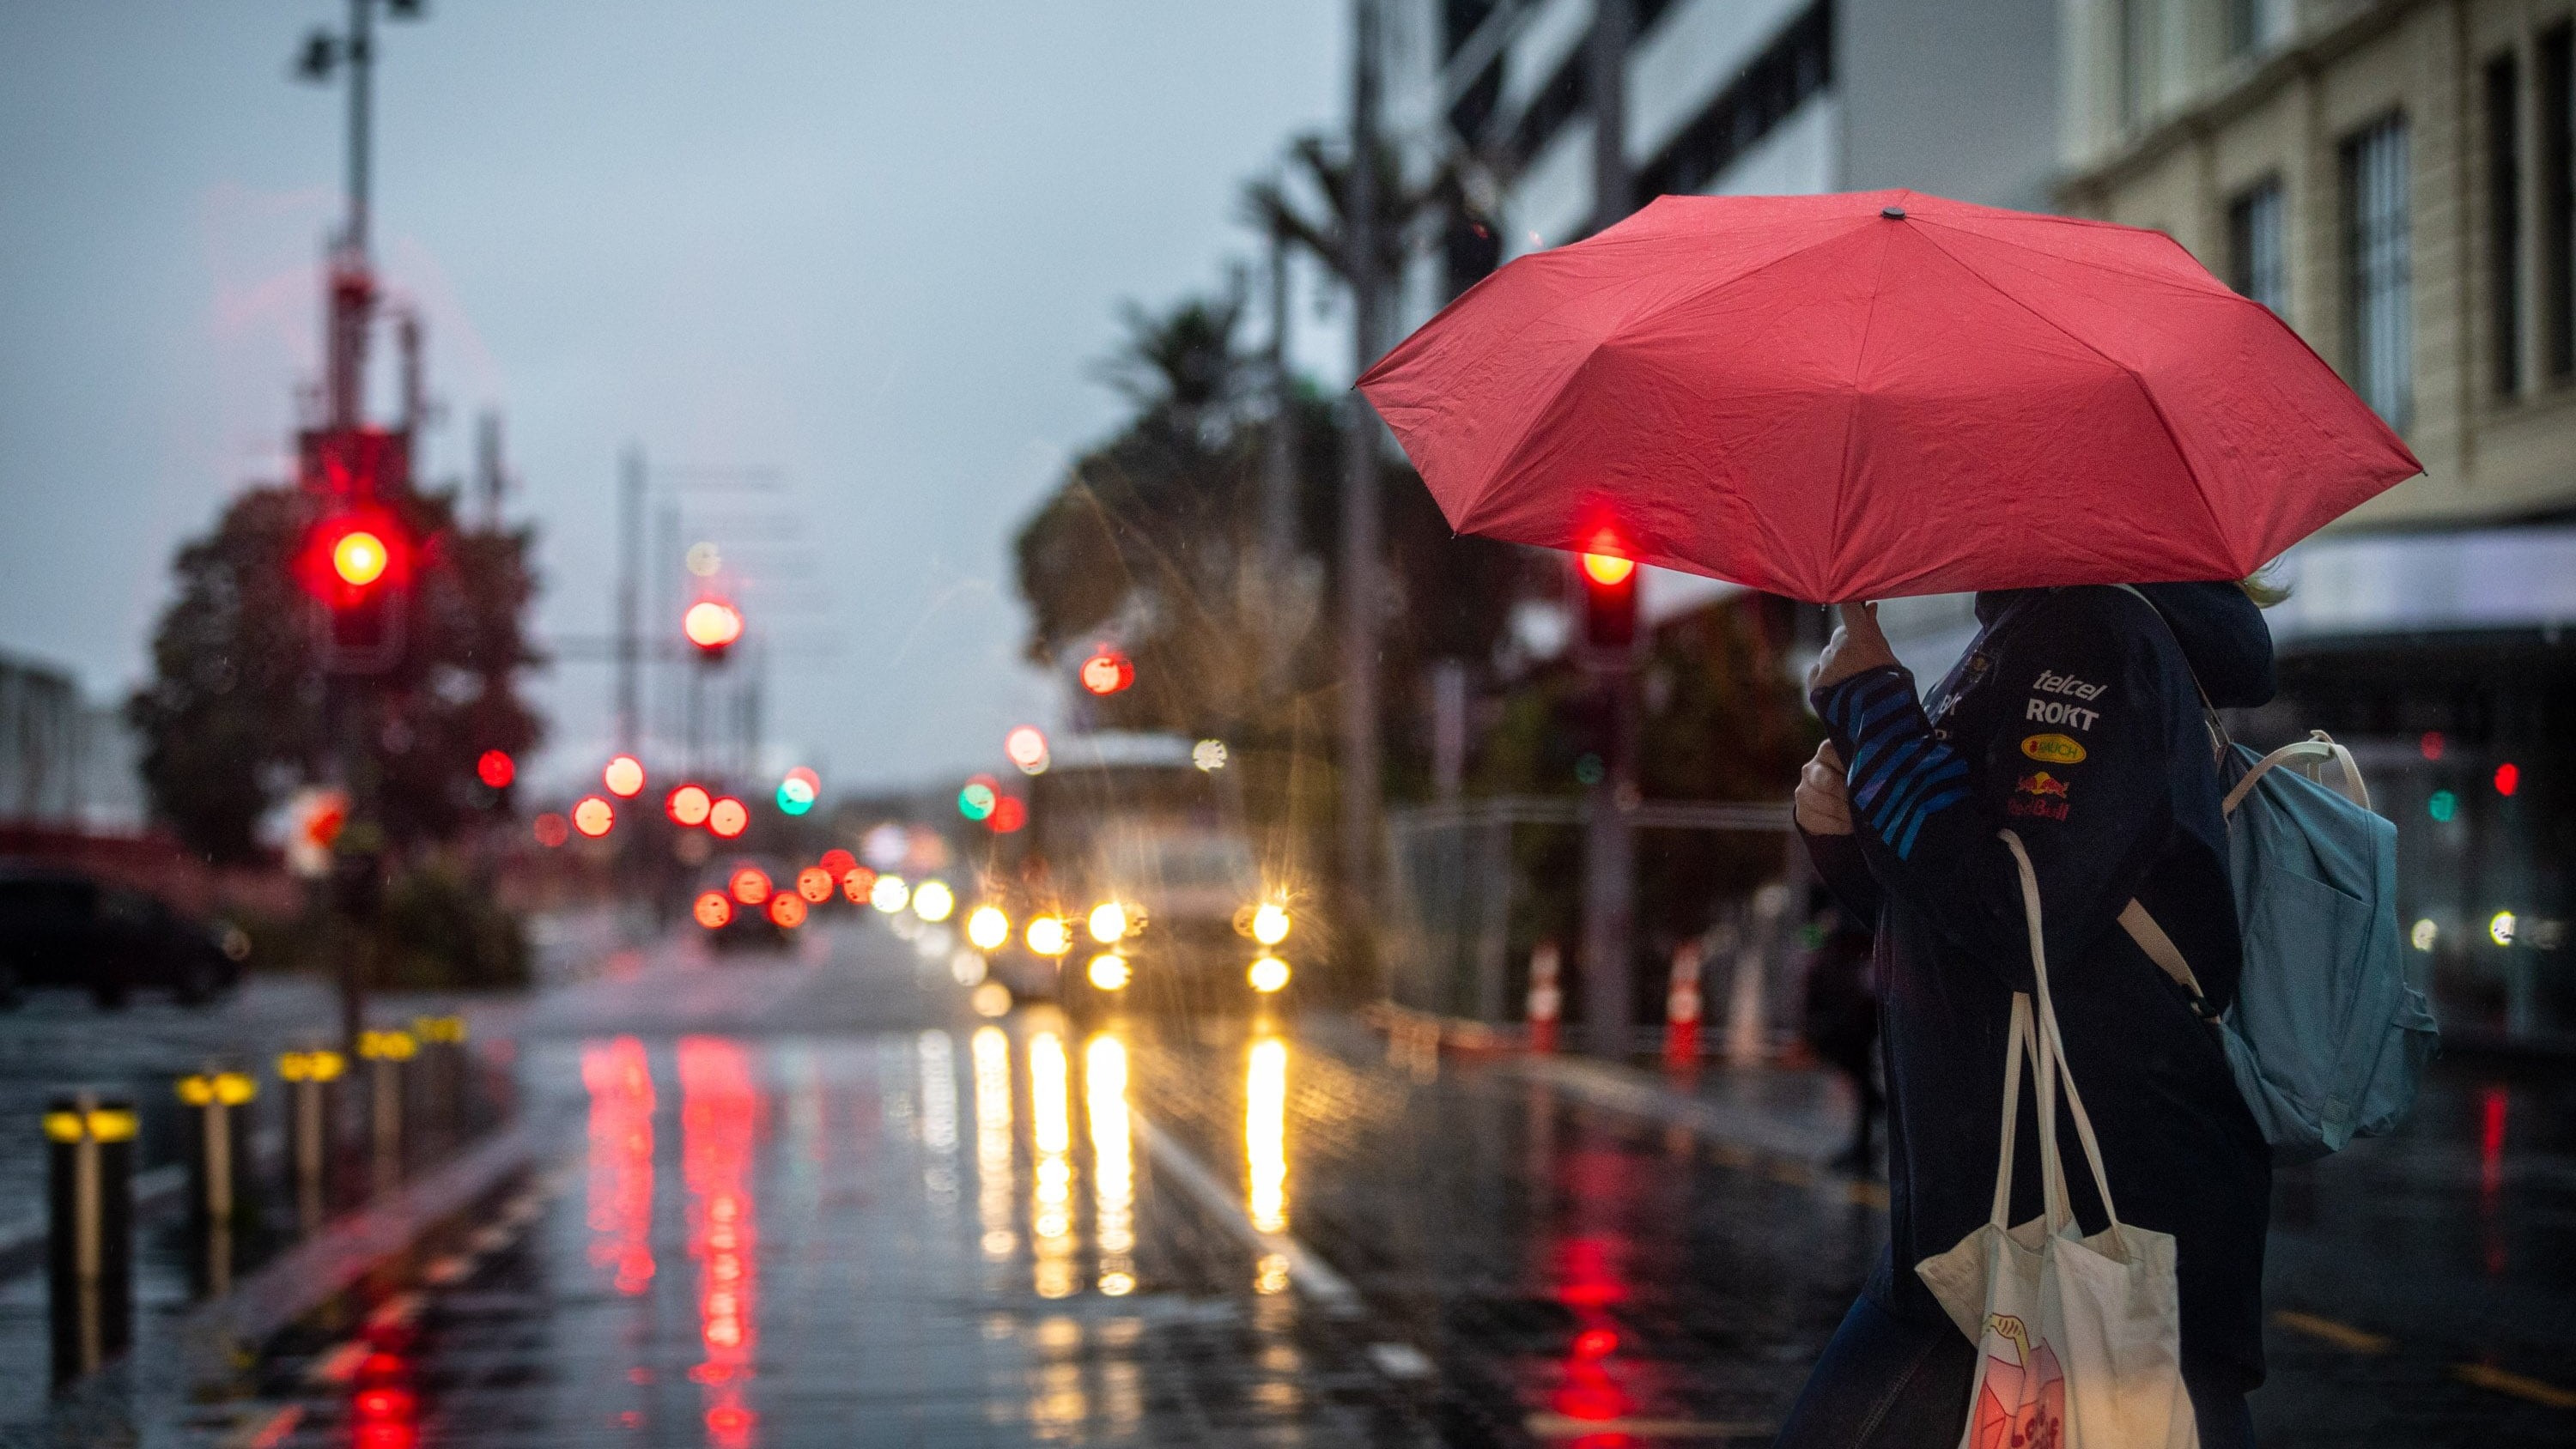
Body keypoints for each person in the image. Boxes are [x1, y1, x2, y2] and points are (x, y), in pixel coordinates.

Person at [1774, 585, 2277, 1449]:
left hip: (2069, 1221)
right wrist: (1850, 831)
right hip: (2005, 1217)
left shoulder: (2096, 642)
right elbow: (1962, 915)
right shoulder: (2037, 632)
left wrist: (1872, 705)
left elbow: (2022, 909)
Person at [1800, 906, 1880, 1174]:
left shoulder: (1855, 928)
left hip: (1856, 1013)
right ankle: (1868, 1135)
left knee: (1862, 1079)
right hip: (1847, 1012)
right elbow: (1809, 939)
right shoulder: (1836, 925)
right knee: (1860, 1079)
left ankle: (1867, 1141)